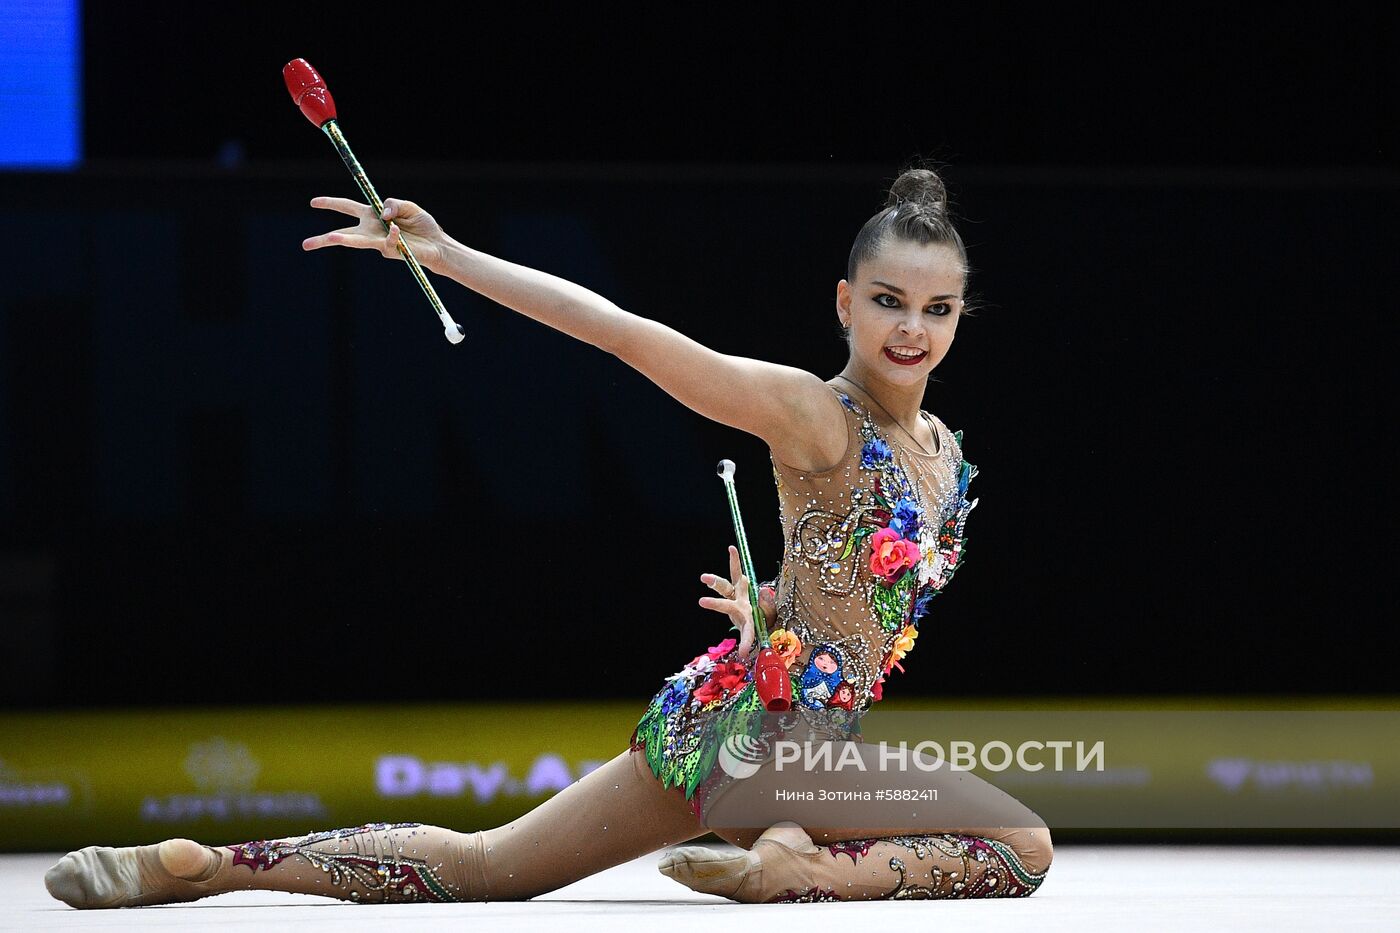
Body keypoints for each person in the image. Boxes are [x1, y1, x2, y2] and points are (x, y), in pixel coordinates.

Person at [44, 165, 1051, 907]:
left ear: (960, 315)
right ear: (845, 303)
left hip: (726, 726)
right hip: (788, 751)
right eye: (886, 300)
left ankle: (212, 867)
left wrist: (776, 609)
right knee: (1023, 846)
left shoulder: (938, 451)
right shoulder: (811, 413)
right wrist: (448, 257)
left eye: (935, 307)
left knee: (491, 865)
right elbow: (622, 330)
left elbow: (851, 601)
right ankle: (793, 867)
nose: (909, 326)